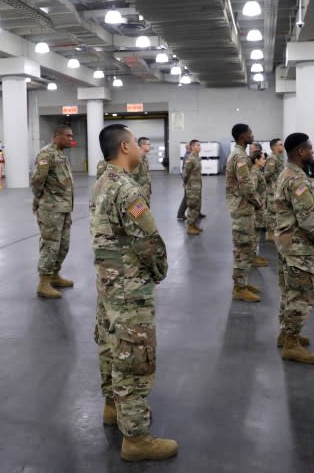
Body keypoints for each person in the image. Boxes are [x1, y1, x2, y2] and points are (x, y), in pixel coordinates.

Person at [90, 123, 177, 462]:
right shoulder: (127, 190)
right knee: (134, 359)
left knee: (111, 347)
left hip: (108, 284)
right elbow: (150, 243)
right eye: (138, 144)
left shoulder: (100, 183)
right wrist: (160, 272)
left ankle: (113, 408)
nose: (143, 149)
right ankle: (136, 438)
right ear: (125, 147)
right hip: (129, 288)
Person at [274, 133, 314, 364]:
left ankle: (286, 334)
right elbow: (307, 219)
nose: (312, 152)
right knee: (301, 295)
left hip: (286, 242)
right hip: (298, 245)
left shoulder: (286, 174)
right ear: (301, 152)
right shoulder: (298, 180)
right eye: (310, 149)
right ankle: (291, 344)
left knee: (288, 291)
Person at [31, 124, 75, 299]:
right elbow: (37, 181)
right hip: (51, 209)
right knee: (50, 245)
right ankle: (43, 283)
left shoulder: (61, 155)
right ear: (57, 136)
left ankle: (55, 275)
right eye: (68, 136)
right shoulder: (46, 154)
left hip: (64, 208)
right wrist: (39, 200)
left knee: (63, 245)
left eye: (71, 136)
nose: (71, 139)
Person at [225, 124, 262, 302]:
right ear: (242, 137)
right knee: (242, 248)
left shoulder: (241, 154)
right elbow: (246, 186)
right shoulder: (239, 156)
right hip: (242, 208)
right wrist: (258, 203)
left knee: (247, 247)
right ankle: (239, 288)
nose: (252, 135)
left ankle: (243, 283)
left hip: (243, 208)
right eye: (250, 132)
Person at [263, 138, 285, 242]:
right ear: (274, 147)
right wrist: (272, 185)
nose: (282, 146)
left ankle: (274, 232)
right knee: (271, 212)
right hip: (272, 190)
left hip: (278, 189)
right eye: (280, 144)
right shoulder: (272, 158)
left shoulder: (278, 158)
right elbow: (267, 174)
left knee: (276, 211)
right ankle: (270, 234)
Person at [250, 151, 268, 266]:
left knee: (256, 232)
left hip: (259, 206)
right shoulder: (254, 173)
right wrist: (259, 204)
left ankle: (253, 255)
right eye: (262, 159)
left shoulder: (257, 171)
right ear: (256, 160)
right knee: (255, 232)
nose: (264, 161)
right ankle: (251, 257)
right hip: (256, 208)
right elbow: (251, 192)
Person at [182, 139, 203, 235]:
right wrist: (187, 184)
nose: (200, 147)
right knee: (192, 206)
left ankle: (194, 225)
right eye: (197, 145)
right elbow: (185, 174)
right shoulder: (190, 159)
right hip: (192, 187)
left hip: (197, 186)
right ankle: (190, 227)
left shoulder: (197, 158)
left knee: (197, 206)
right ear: (192, 147)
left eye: (199, 145)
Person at [132, 136, 152, 201]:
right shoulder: (136, 159)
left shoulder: (145, 158)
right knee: (139, 211)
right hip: (139, 193)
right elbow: (133, 177)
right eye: (148, 144)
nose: (150, 146)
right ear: (142, 145)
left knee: (146, 210)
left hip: (145, 191)